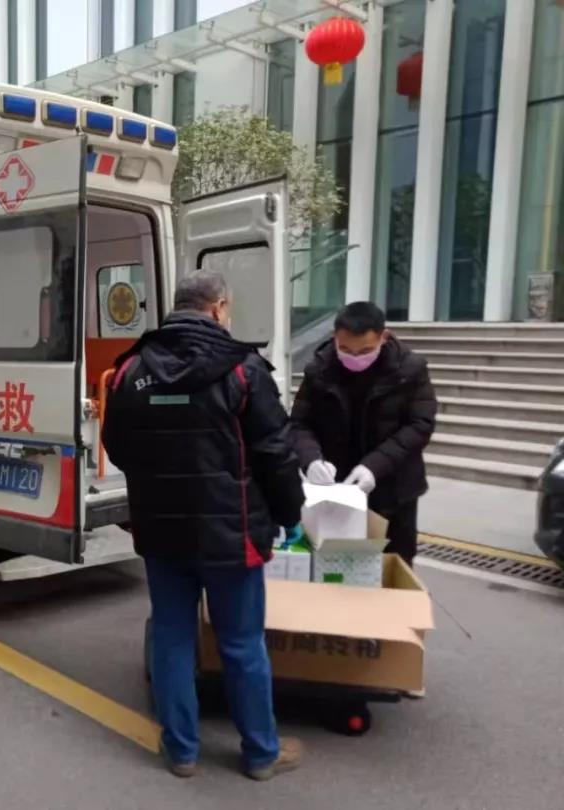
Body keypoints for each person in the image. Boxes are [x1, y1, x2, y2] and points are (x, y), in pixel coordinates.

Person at [103, 271, 305, 781]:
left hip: (161, 533)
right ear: (218, 308)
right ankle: (260, 754)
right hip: (231, 534)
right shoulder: (243, 371)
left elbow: (117, 447)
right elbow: (276, 453)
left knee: (172, 637)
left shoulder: (131, 371)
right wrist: (290, 514)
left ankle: (181, 751)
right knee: (241, 642)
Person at [290, 301, 437, 565]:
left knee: (393, 567)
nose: (355, 358)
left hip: (393, 491)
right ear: (335, 338)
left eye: (366, 350)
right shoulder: (320, 370)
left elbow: (420, 425)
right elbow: (300, 423)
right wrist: (311, 459)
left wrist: (374, 466)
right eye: (346, 349)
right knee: (336, 568)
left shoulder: (409, 370)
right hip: (337, 491)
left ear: (384, 337)